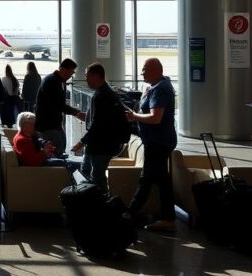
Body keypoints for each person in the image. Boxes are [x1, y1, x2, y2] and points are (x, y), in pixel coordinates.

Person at [124, 58, 177, 233]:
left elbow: (156, 118)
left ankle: (129, 214)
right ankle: (168, 218)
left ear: (156, 70)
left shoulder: (160, 89)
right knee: (162, 180)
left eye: (145, 69)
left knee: (146, 179)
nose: (142, 72)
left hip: (158, 142)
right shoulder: (158, 87)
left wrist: (134, 116)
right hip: (159, 140)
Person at [71, 63, 124, 189]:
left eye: (87, 76)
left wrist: (82, 142)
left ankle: (100, 203)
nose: (86, 79)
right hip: (98, 144)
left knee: (96, 176)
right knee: (88, 170)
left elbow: (98, 125)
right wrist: (88, 117)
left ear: (96, 76)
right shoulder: (104, 93)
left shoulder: (102, 96)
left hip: (101, 145)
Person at [34, 59, 86, 158]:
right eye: (70, 72)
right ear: (62, 69)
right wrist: (76, 112)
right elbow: (57, 104)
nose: (71, 76)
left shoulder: (54, 80)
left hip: (50, 124)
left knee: (60, 147)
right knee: (56, 152)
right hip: (48, 125)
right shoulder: (53, 82)